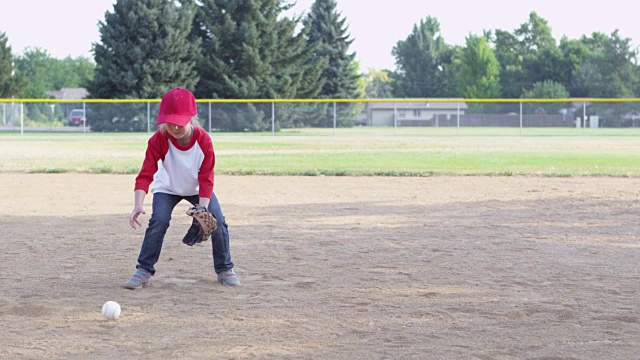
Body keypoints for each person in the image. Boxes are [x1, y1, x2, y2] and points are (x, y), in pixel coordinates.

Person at [125, 87, 240, 289]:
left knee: (218, 221)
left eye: (179, 123)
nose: (174, 128)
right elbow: (145, 174)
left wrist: (202, 208)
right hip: (167, 188)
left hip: (197, 189)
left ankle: (224, 269)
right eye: (169, 123)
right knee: (158, 221)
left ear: (191, 118)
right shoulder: (158, 140)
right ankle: (144, 269)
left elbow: (206, 178)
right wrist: (137, 204)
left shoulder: (203, 140)